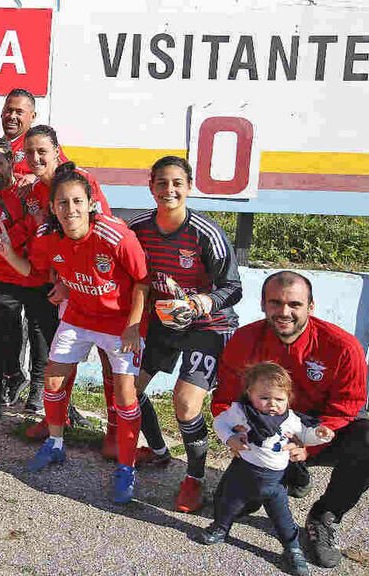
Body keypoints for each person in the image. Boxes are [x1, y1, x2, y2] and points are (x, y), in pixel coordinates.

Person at [213, 271, 369, 568]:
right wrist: (237, 433)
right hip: (267, 435)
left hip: (318, 431)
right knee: (226, 507)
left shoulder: (343, 347)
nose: (284, 312)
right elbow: (226, 399)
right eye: (275, 303)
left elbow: (347, 406)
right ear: (263, 305)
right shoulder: (245, 339)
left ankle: (325, 515)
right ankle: (291, 474)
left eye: (294, 304)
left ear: (311, 306)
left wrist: (308, 446)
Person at [0, 163, 149, 504]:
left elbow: (142, 282)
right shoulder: (48, 237)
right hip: (78, 317)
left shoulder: (116, 235)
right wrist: (9, 255)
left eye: (78, 201)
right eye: (63, 203)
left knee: (125, 396)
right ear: (52, 207)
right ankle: (56, 444)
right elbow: (36, 271)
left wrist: (134, 326)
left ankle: (126, 467)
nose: (71, 209)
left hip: (120, 325)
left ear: (91, 203)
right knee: (53, 381)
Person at [126, 155, 243, 512]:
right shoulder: (139, 229)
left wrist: (201, 302)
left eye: (177, 183)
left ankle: (194, 478)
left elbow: (233, 288)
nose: (169, 190)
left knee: (185, 401)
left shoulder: (206, 233)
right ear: (151, 187)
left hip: (208, 327)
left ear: (189, 187)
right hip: (165, 324)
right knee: (130, 391)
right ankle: (160, 452)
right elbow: (131, 277)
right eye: (161, 183)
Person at [195, 362, 333, 576]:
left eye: (279, 399)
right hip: (243, 473)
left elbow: (305, 435)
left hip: (274, 482)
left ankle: (292, 549)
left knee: (283, 519)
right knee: (227, 503)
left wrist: (319, 434)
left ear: (288, 398)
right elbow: (220, 423)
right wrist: (229, 438)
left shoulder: (291, 419)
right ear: (249, 393)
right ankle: (221, 528)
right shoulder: (241, 412)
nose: (272, 404)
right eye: (265, 398)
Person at [18, 125, 112, 422]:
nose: (35, 157)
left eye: (42, 151)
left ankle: (115, 428)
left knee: (110, 360)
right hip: (56, 286)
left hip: (95, 286)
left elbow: (103, 235)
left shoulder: (80, 181)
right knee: (59, 356)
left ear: (56, 151)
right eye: (29, 152)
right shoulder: (32, 191)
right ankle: (57, 419)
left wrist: (74, 285)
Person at [0, 137, 58, 428]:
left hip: (39, 276)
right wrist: (29, 225)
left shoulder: (30, 188)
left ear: (10, 161)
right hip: (4, 276)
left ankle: (38, 395)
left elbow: (48, 228)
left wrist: (19, 234)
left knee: (42, 335)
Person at [0, 88, 67, 177]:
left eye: (19, 112)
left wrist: (36, 178)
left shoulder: (43, 143)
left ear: (33, 116)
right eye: (8, 111)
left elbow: (67, 174)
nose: (12, 116)